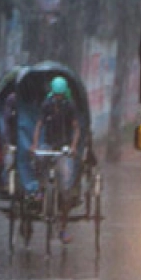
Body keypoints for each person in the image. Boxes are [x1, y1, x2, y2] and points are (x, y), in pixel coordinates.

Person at [32, 76, 81, 244]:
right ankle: (40, 189)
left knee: (65, 190)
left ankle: (63, 228)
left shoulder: (70, 106)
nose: (58, 98)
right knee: (39, 160)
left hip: (64, 148)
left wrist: (73, 146)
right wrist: (34, 144)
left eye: (61, 95)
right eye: (56, 95)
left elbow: (76, 129)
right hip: (48, 144)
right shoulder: (46, 105)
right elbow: (39, 125)